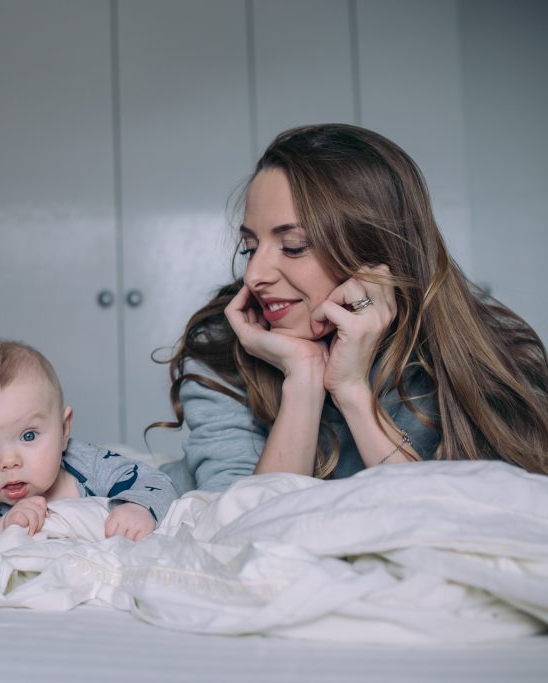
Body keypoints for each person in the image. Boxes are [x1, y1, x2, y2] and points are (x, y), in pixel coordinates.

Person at [158, 123, 548, 493]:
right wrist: (304, 377)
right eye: (250, 247)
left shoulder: (476, 354)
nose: (255, 274)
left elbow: (446, 520)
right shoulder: (223, 345)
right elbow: (243, 529)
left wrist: (351, 391)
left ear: (374, 252)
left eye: (293, 246)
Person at [0, 341, 176, 579]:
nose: (9, 461)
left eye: (28, 435)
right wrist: (2, 528)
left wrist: (138, 507)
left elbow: (156, 482)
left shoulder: (88, 463)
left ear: (64, 429)